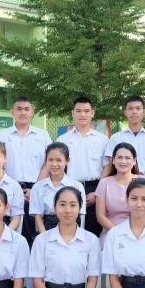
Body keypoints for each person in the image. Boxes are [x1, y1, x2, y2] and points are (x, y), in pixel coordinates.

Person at [29, 186, 102, 288]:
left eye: (73, 205)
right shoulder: (42, 240)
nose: (67, 210)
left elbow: (92, 280)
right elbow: (37, 281)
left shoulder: (90, 240)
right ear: (55, 208)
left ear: (80, 208)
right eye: (62, 204)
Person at [0, 97, 52, 243]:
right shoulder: (2, 136)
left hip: (36, 190)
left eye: (27, 109)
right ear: (12, 112)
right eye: (19, 109)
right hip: (9, 189)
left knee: (33, 235)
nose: (23, 112)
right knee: (10, 236)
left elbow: (48, 163)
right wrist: (13, 189)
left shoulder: (43, 136)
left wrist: (35, 189)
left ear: (32, 112)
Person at [58, 97, 109, 238]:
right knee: (69, 232)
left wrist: (97, 192)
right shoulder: (63, 140)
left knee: (93, 233)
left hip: (93, 190)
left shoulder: (102, 140)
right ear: (73, 113)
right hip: (69, 189)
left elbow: (107, 167)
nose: (82, 114)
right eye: (79, 111)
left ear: (92, 113)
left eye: (86, 111)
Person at [101, 95, 145, 182]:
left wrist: (144, 184)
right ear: (125, 112)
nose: (134, 112)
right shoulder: (115, 138)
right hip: (120, 182)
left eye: (138, 108)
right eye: (130, 109)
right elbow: (111, 165)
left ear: (144, 112)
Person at [29, 142, 86, 233]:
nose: (54, 164)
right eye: (50, 160)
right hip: (45, 229)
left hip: (71, 229)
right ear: (45, 161)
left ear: (67, 161)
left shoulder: (76, 186)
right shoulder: (38, 187)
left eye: (59, 160)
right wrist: (45, 237)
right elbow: (38, 217)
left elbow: (80, 215)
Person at [95, 142, 144, 247]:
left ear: (134, 161)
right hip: (111, 233)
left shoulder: (142, 182)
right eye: (120, 157)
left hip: (138, 234)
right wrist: (118, 233)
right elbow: (100, 216)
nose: (123, 161)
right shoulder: (104, 183)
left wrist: (131, 235)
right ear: (113, 160)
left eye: (127, 158)